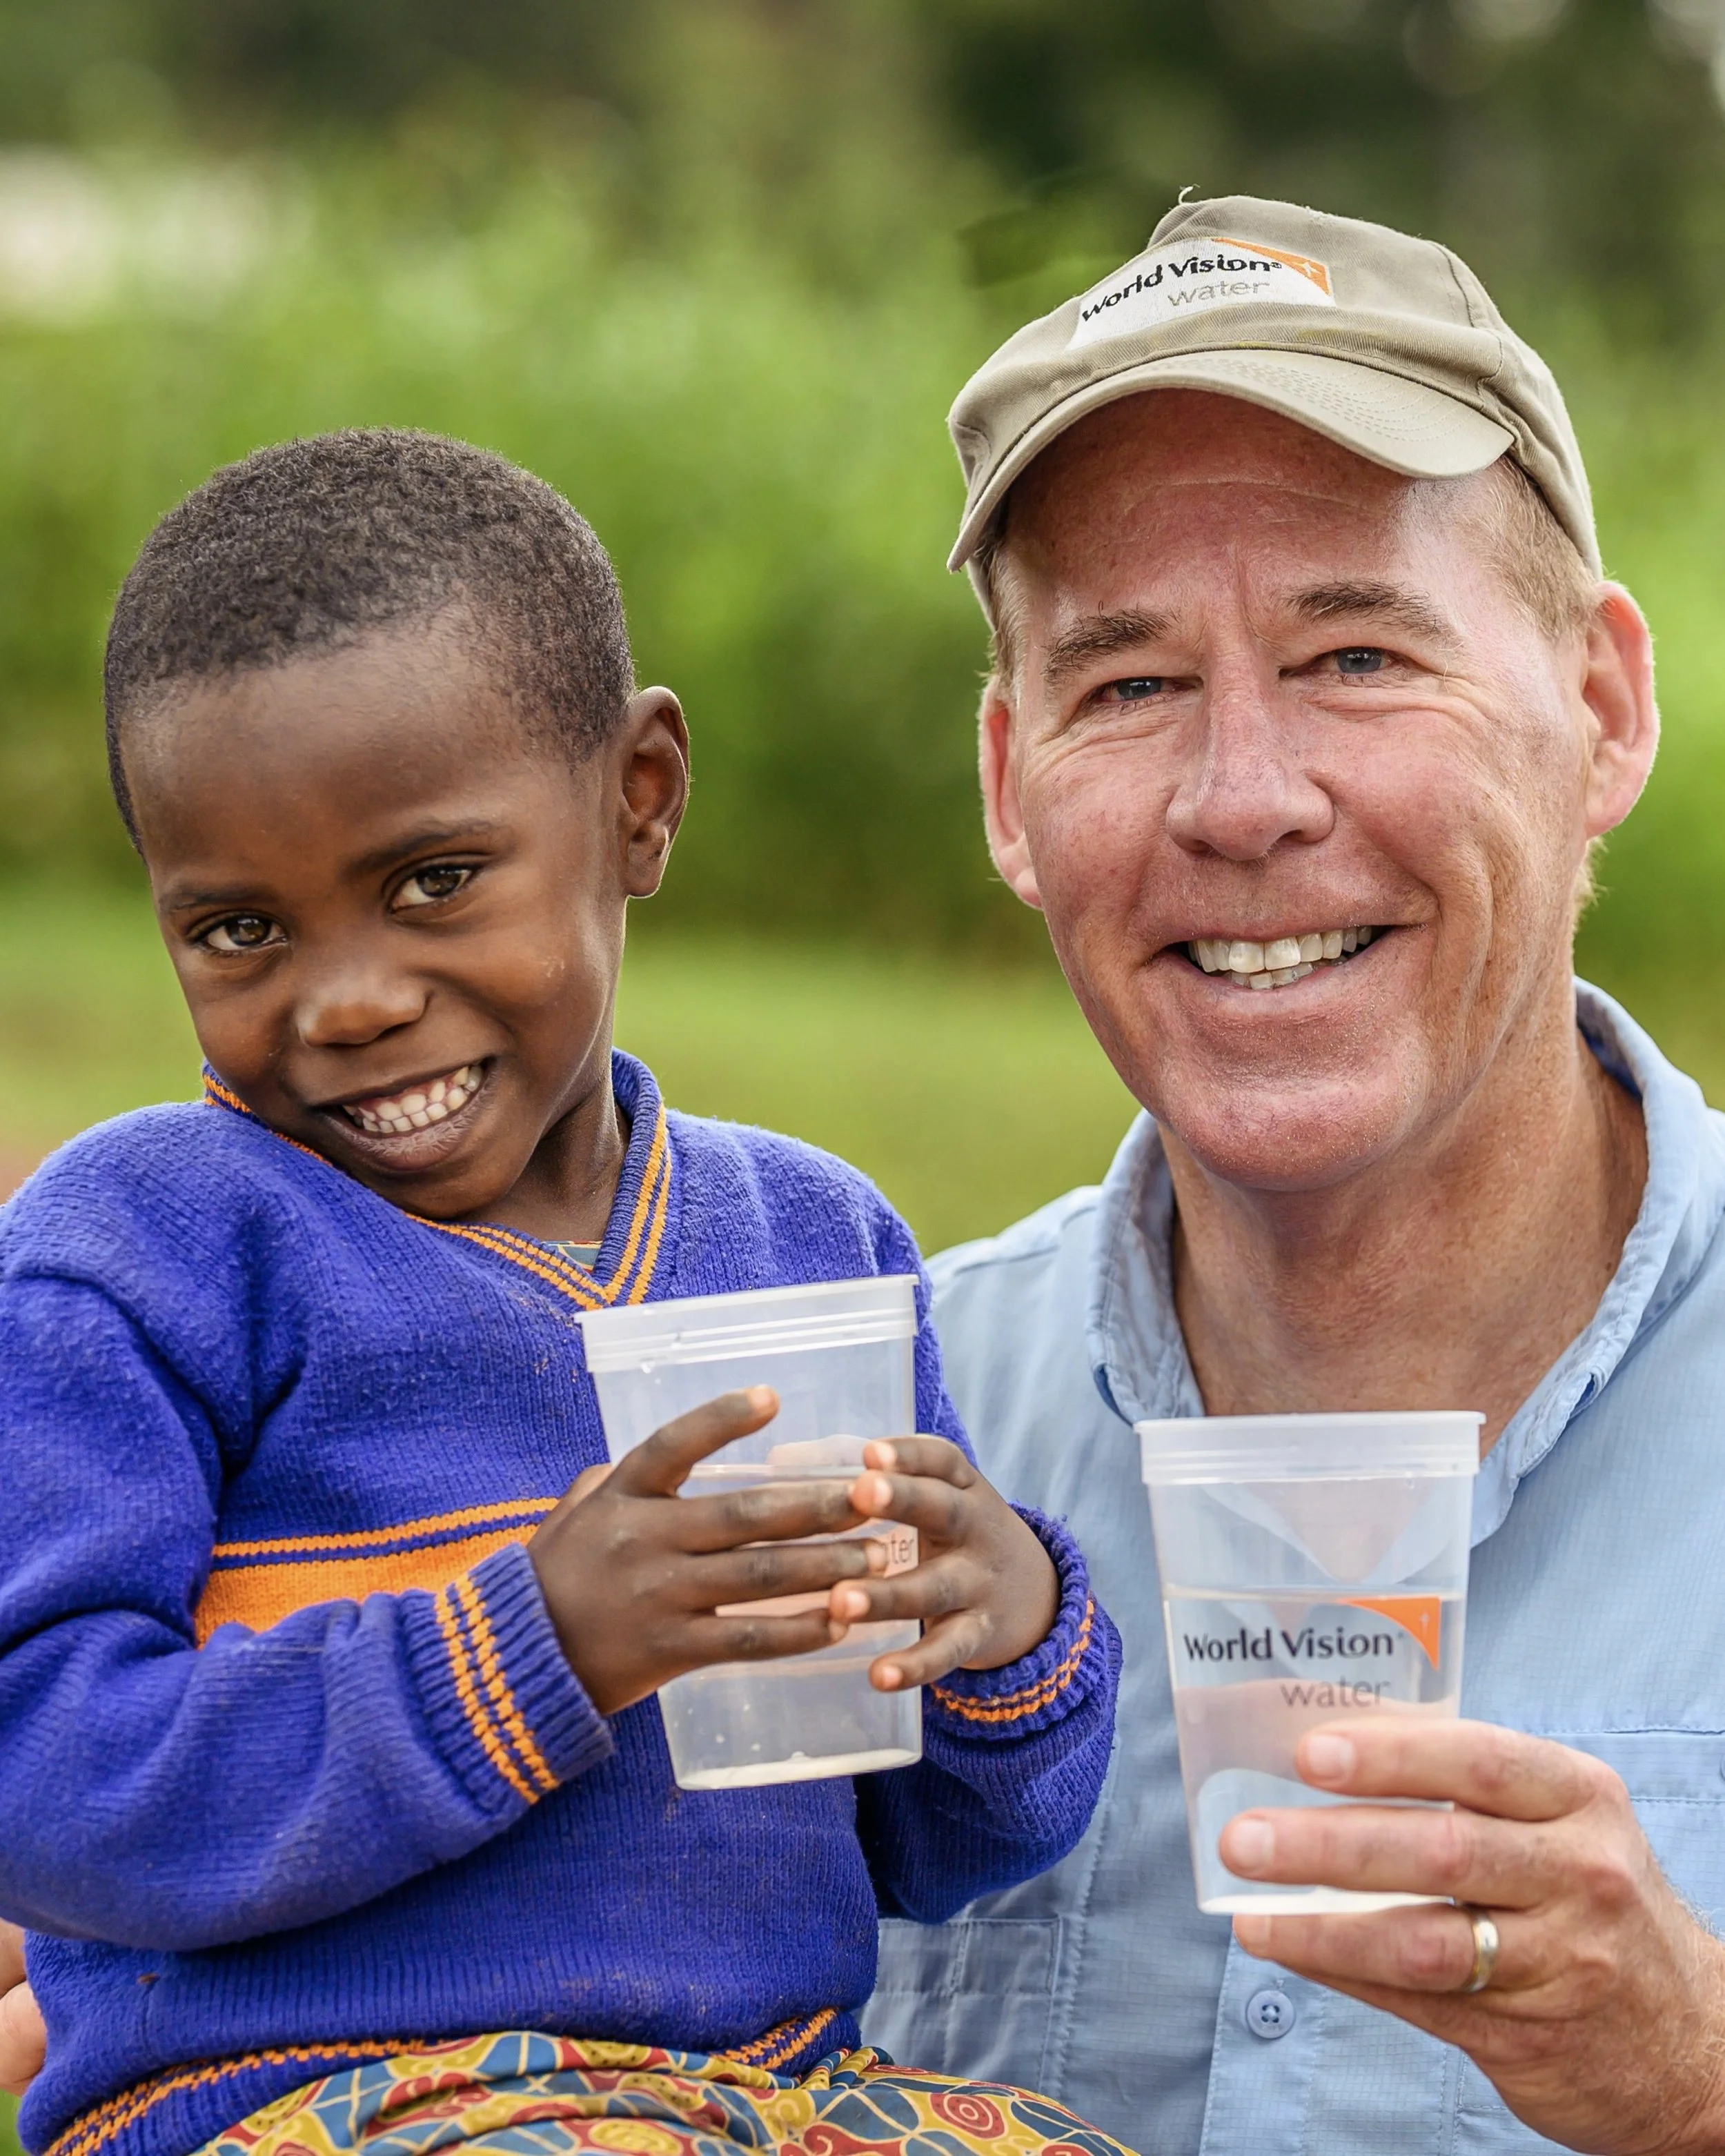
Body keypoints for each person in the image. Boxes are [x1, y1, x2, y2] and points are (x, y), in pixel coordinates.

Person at [0, 431, 1130, 2156]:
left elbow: (930, 1843)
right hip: (314, 2101)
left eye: (433, 881)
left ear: (639, 798)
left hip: (761, 2094)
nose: (349, 999)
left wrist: (999, 1632)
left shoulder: (811, 1237)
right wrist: (534, 1648)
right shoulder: (147, 1244)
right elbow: (47, 1781)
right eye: (238, 930)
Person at [860, 196, 1725, 2155]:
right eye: (1131, 684)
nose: (1243, 796)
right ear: (1010, 785)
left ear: (1598, 709)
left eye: (1353, 652)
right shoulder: (876, 1441)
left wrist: (1692, 2074)